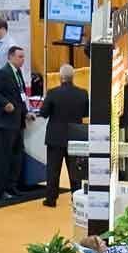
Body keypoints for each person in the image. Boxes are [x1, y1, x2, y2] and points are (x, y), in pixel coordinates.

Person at [40, 64, 88, 207]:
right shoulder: (83, 93)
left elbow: (44, 113)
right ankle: (77, 198)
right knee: (75, 171)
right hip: (75, 136)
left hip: (55, 137)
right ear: (73, 77)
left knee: (53, 171)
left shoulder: (52, 93)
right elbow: (86, 113)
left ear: (60, 77)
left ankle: (51, 199)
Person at [0, 45, 28, 201]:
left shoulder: (17, 72)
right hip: (5, 123)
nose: (22, 60)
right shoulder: (3, 73)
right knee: (3, 158)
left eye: (23, 57)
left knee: (16, 157)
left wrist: (26, 112)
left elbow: (20, 95)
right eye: (20, 57)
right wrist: (5, 103)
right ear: (10, 57)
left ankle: (12, 186)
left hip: (17, 122)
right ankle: (0, 189)